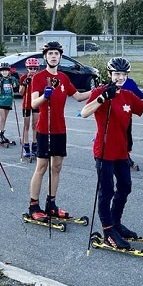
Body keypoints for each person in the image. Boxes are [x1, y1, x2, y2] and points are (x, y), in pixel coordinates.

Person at [81, 57, 143, 249]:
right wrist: (102, 98)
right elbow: (84, 112)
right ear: (109, 74)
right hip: (104, 151)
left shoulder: (128, 95)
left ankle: (115, 223)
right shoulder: (101, 92)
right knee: (106, 191)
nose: (120, 77)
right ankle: (108, 231)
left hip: (122, 151)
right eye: (117, 74)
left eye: (124, 74)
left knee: (125, 188)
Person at [27, 42, 91, 221]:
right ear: (45, 57)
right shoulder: (39, 78)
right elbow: (33, 104)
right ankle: (33, 206)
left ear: (60, 57)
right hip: (44, 129)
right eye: (50, 54)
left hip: (59, 129)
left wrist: (98, 91)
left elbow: (78, 96)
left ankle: (51, 204)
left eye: (56, 54)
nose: (53, 56)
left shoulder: (63, 78)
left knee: (57, 167)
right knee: (41, 167)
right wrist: (44, 96)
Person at [120, 76, 143, 169]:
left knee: (128, 137)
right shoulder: (112, 83)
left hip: (127, 115)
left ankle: (126, 157)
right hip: (114, 116)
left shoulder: (130, 82)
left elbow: (139, 95)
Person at [0, 62, 20, 146]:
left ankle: (1, 133)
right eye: (2, 71)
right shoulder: (0, 80)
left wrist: (14, 84)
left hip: (9, 101)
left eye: (6, 71)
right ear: (0, 72)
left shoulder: (12, 79)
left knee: (5, 119)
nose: (4, 72)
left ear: (9, 71)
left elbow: (16, 89)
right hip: (2, 101)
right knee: (2, 118)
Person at [19, 58, 41, 159]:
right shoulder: (23, 77)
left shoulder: (39, 77)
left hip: (35, 104)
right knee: (26, 126)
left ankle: (35, 146)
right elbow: (20, 92)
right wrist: (25, 83)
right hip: (26, 104)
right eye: (30, 68)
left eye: (34, 68)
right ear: (27, 68)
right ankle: (26, 147)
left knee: (35, 125)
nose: (32, 70)